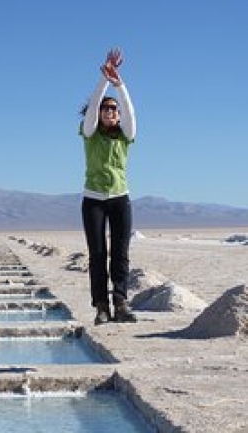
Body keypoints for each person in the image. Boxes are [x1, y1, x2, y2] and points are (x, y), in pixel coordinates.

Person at [79, 49, 137, 325]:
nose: (110, 112)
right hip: (93, 201)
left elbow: (131, 113)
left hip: (120, 199)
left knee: (121, 253)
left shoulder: (125, 137)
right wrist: (104, 81)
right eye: (106, 108)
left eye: (114, 109)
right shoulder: (89, 134)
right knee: (98, 254)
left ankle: (121, 302)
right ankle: (101, 306)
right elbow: (92, 109)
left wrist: (119, 84)